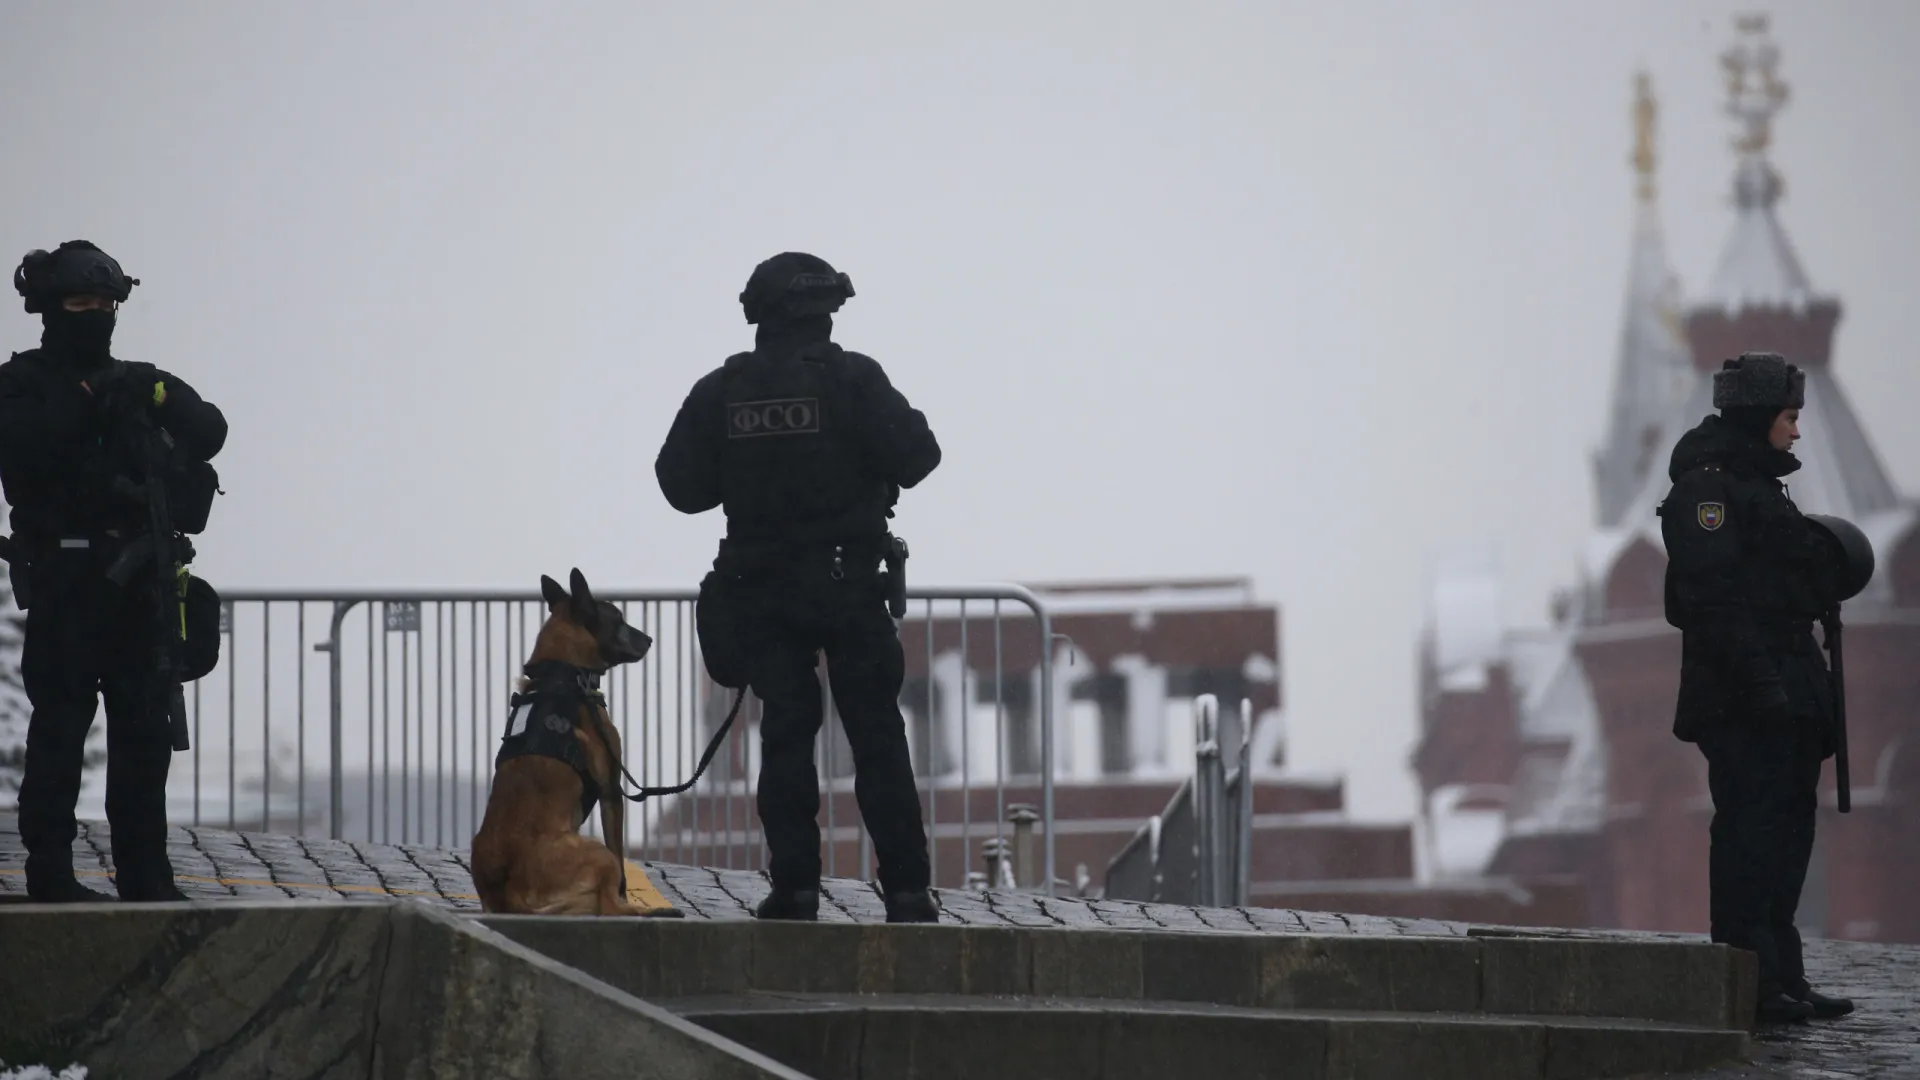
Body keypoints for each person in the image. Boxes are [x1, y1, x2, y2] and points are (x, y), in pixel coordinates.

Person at [654, 251, 941, 923]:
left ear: (758, 315)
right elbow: (919, 456)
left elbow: (679, 486)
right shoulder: (855, 380)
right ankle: (905, 890)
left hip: (765, 593)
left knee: (785, 738)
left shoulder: (722, 391)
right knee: (877, 737)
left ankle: (796, 890)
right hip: (850, 587)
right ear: (826, 313)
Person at [1, 240, 228, 902]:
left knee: (142, 733)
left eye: (105, 304)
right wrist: (92, 410)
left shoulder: (139, 379)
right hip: (67, 581)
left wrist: (154, 398)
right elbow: (27, 454)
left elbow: (209, 430)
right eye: (80, 304)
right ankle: (49, 869)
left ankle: (145, 873)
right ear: (48, 309)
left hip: (140, 587)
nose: (95, 315)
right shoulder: (21, 386)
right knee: (60, 729)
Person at [1659, 351, 1854, 1024]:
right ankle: (1749, 980)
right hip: (1742, 700)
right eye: (1789, 416)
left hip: (1783, 690)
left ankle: (1783, 976)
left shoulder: (1759, 487)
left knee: (1788, 835)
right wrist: (1767, 688)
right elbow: (1714, 604)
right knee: (1750, 836)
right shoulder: (1707, 494)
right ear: (1757, 416)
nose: (1797, 432)